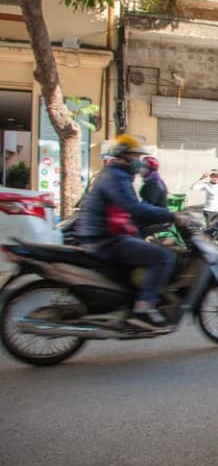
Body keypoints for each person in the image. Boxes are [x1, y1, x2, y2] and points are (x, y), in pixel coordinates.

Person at [74, 135, 189, 330]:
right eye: (135, 156)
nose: (139, 162)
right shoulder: (116, 177)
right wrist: (172, 215)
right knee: (163, 257)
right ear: (123, 156)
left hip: (106, 234)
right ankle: (144, 309)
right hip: (104, 238)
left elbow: (130, 211)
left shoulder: (117, 175)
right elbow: (135, 208)